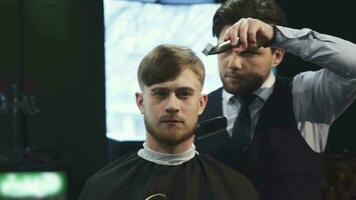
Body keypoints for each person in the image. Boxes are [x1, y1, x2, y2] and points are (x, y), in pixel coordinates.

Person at [196, 0, 356, 199]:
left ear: (277, 55)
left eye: (249, 52)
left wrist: (277, 35)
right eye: (226, 50)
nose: (234, 63)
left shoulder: (307, 97)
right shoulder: (197, 108)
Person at [79, 44, 259, 200]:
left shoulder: (235, 190)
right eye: (160, 93)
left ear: (201, 103)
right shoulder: (103, 188)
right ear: (141, 102)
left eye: (184, 94)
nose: (172, 106)